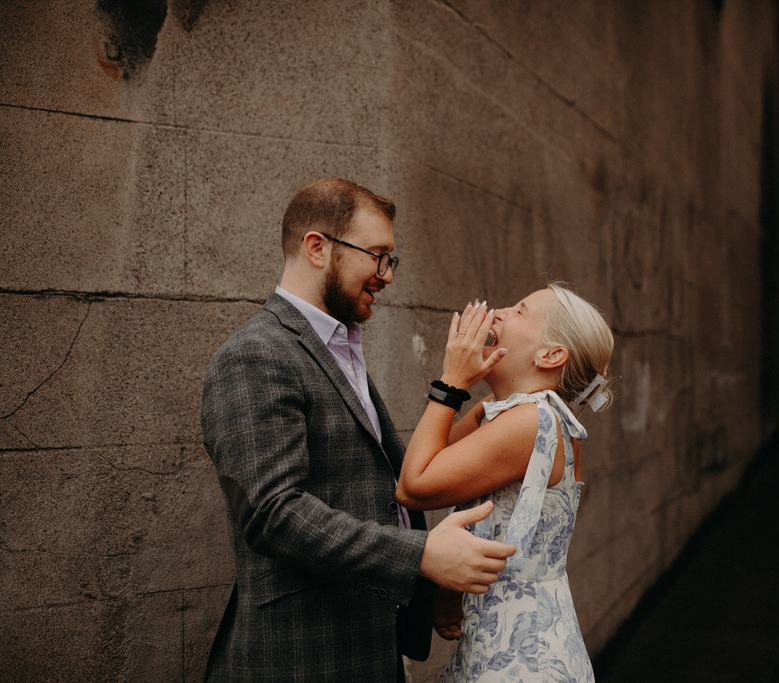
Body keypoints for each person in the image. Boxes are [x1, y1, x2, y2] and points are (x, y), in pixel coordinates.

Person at [200, 177, 516, 682]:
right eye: (377, 255)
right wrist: (420, 558)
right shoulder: (254, 355)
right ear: (318, 249)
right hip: (301, 657)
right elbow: (271, 513)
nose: (386, 274)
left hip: (367, 649)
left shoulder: (338, 348)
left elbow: (383, 488)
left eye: (391, 259)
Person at [396, 283, 615, 682]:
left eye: (520, 310)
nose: (498, 311)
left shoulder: (532, 421)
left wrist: (451, 381)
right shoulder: (510, 413)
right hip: (508, 641)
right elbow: (435, 463)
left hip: (520, 657)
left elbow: (413, 487)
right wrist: (449, 590)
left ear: (550, 355)